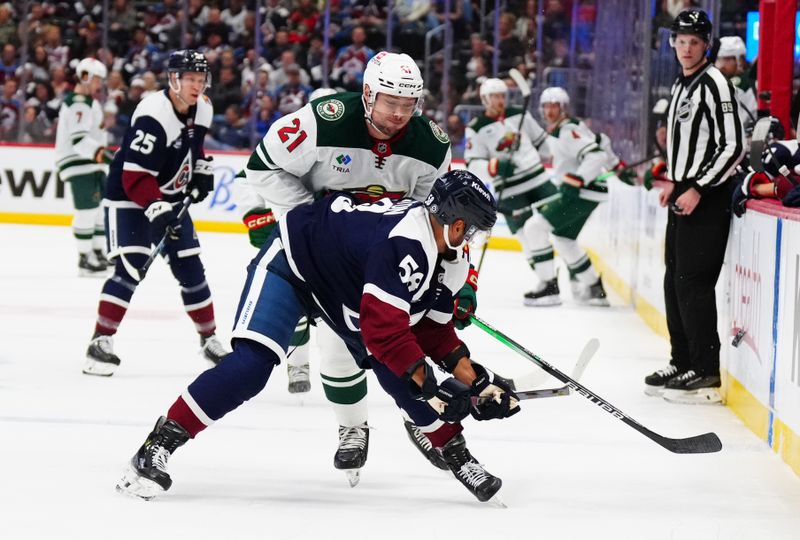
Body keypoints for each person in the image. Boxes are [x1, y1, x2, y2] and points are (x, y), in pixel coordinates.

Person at [116, 171, 519, 503]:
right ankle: (158, 444)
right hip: (295, 263)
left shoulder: (445, 251)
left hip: (342, 286)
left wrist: (477, 382)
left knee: (401, 371)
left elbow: (434, 330)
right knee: (250, 367)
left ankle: (457, 454)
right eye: (474, 232)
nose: (472, 242)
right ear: (459, 223)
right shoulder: (407, 244)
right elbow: (385, 336)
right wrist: (435, 392)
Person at [238, 51, 454, 480]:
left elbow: (443, 216)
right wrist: (313, 224)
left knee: (405, 341)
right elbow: (261, 168)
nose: (398, 114)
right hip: (332, 258)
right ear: (368, 94)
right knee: (337, 350)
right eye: (390, 101)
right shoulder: (325, 119)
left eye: (408, 104)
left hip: (393, 257)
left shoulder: (431, 144)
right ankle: (353, 427)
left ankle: (422, 418)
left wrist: (454, 280)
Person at [82, 50, 230, 376]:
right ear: (173, 79)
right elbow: (134, 176)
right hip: (130, 196)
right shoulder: (153, 114)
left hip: (169, 196)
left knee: (191, 268)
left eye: (201, 79)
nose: (197, 85)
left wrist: (202, 170)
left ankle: (209, 340)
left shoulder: (202, 107)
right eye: (190, 78)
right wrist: (156, 207)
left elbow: (196, 148)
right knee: (131, 267)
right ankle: (100, 342)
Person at [643, 9, 745, 404]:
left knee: (694, 283)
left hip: (709, 193)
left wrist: (698, 187)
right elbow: (685, 141)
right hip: (686, 189)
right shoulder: (681, 83)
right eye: (681, 41)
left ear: (707, 44)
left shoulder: (715, 83)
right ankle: (682, 358)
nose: (686, 48)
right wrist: (674, 179)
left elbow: (733, 146)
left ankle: (705, 371)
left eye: (694, 42)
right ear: (673, 43)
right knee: (674, 279)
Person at [519, 86, 615, 306]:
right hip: (586, 193)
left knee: (534, 227)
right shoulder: (563, 130)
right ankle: (594, 288)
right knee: (564, 240)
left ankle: (549, 286)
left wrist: (579, 179)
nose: (549, 110)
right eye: (546, 106)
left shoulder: (567, 130)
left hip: (582, 193)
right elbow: (600, 140)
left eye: (554, 105)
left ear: (563, 108)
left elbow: (596, 155)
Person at [463, 78, 555, 303]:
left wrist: (562, 157)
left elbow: (544, 143)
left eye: (503, 96)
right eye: (495, 96)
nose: (500, 101)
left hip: (539, 180)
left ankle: (575, 279)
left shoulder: (518, 113)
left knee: (558, 226)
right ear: (485, 99)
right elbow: (473, 163)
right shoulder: (476, 127)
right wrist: (496, 166)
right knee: (525, 236)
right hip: (511, 189)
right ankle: (548, 280)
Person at [54, 57, 114, 276]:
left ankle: (97, 252)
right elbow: (79, 141)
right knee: (87, 211)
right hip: (78, 163)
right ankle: (84, 257)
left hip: (91, 164)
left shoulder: (89, 102)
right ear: (86, 76)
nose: (99, 84)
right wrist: (105, 156)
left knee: (99, 211)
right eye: (97, 79)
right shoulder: (78, 103)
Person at [714, 36, 756, 135]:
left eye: (727, 59)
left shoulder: (741, 84)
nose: (722, 65)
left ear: (740, 60)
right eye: (720, 59)